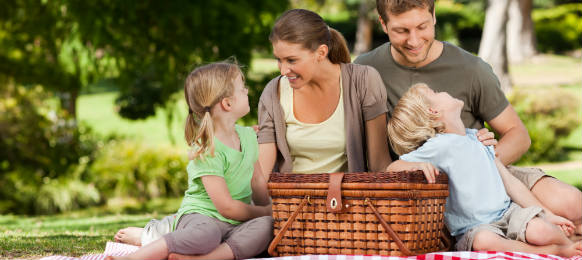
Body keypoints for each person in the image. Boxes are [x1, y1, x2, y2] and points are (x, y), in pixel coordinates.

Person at [354, 0, 581, 234]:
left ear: (433, 16)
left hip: (493, 175)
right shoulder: (366, 70)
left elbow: (518, 135)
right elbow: (378, 163)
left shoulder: (471, 68)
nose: (413, 41)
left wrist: (474, 170)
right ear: (383, 23)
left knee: (572, 206)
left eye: (422, 27)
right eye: (401, 31)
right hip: (422, 192)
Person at [386, 83, 581, 257]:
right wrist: (418, 165)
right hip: (475, 228)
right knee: (484, 243)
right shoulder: (439, 147)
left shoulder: (477, 138)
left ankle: (572, 247)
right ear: (434, 111)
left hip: (508, 212)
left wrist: (547, 214)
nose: (442, 90)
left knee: (542, 230)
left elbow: (510, 183)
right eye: (435, 92)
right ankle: (554, 251)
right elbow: (392, 168)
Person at [107, 62, 273, 260]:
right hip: (202, 219)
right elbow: (226, 207)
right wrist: (262, 211)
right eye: (242, 87)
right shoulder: (207, 150)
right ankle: (135, 255)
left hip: (236, 223)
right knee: (207, 235)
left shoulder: (247, 137)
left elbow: (257, 182)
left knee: (267, 227)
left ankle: (202, 259)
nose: (247, 90)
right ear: (227, 103)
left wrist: (269, 213)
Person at [258, 9, 391, 177]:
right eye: (279, 59)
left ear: (321, 53)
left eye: (292, 60)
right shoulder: (273, 92)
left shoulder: (363, 81)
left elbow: (379, 164)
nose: (283, 71)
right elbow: (262, 173)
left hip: (347, 201)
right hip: (291, 201)